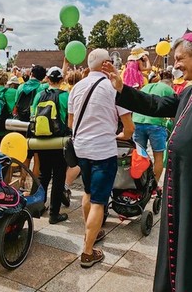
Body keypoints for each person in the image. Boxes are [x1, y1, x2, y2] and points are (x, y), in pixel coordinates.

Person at [102, 32, 192, 292]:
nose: (175, 65)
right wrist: (123, 89)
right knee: (179, 244)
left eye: (179, 59)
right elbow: (157, 104)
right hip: (182, 182)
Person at [69, 49, 134, 268]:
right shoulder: (114, 88)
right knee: (99, 200)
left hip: (81, 148)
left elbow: (71, 123)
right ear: (107, 64)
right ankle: (88, 252)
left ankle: (92, 233)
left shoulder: (76, 87)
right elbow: (129, 128)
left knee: (88, 192)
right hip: (103, 150)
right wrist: (119, 134)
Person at [31, 67, 70, 224]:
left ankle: (38, 207)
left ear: (47, 78)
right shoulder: (65, 96)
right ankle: (54, 214)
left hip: (41, 140)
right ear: (61, 80)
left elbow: (32, 114)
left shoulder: (40, 95)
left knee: (44, 174)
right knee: (59, 176)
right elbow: (69, 118)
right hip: (58, 141)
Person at [132, 71, 175, 182]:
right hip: (156, 124)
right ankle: (154, 186)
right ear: (171, 83)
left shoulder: (146, 86)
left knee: (138, 155)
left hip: (137, 121)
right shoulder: (168, 89)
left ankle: (138, 185)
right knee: (158, 157)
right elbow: (175, 111)